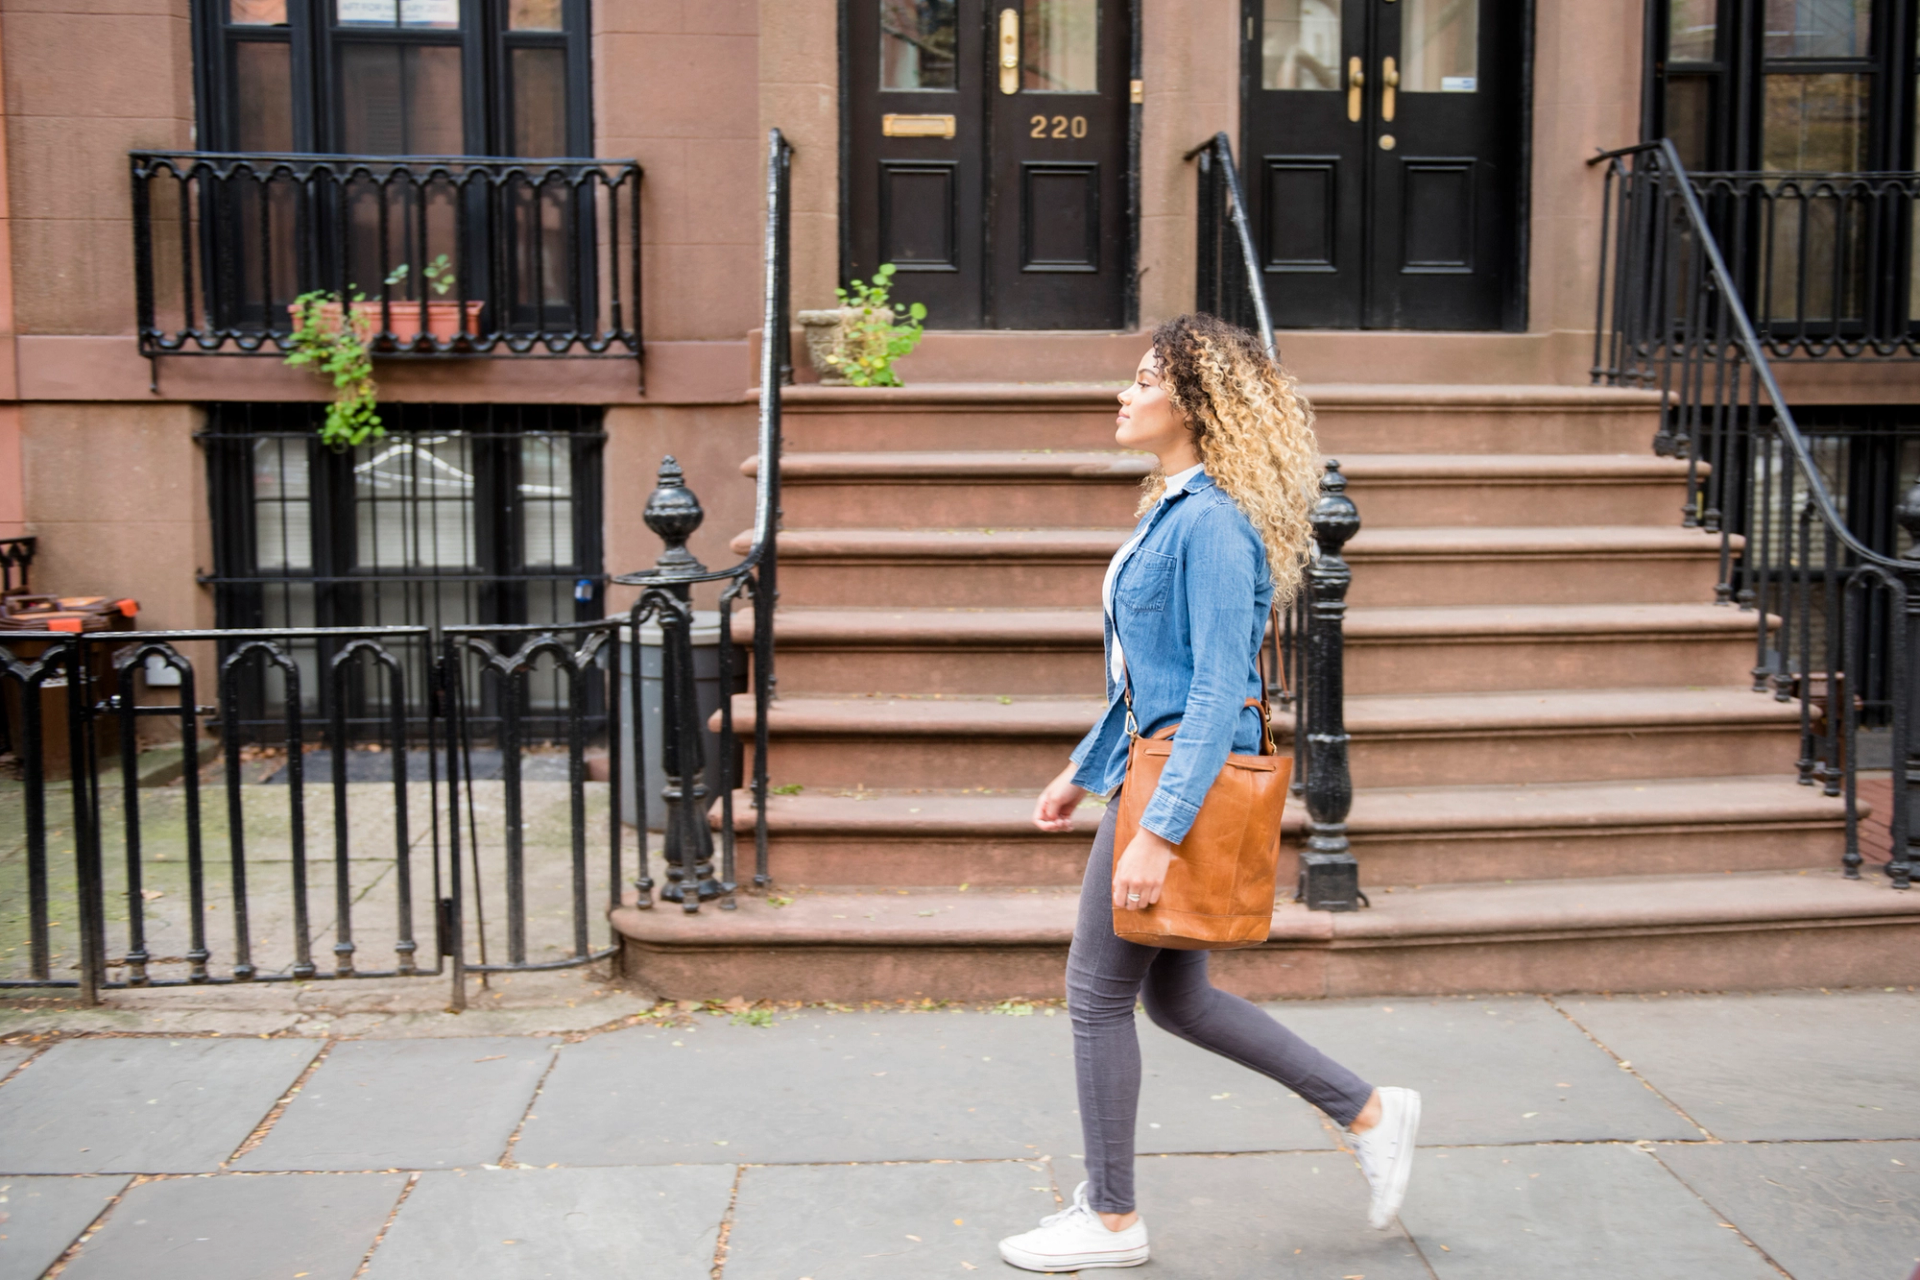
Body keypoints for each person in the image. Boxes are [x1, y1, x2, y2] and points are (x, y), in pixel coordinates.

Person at [998, 314, 1420, 1272]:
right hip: (1143, 770)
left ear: (1193, 403)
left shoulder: (1215, 525)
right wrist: (1082, 770)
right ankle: (1368, 1109)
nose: (1124, 391)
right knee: (1178, 999)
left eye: (1144, 379)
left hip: (1168, 787)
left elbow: (1219, 689)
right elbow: (1147, 676)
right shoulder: (1175, 508)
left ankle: (1112, 1219)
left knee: (1097, 996)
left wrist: (1155, 829)